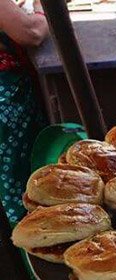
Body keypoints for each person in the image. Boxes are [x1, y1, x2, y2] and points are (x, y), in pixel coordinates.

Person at [0, 0, 48, 225]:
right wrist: (42, 9)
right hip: (6, 104)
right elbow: (31, 33)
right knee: (17, 183)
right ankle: (24, 242)